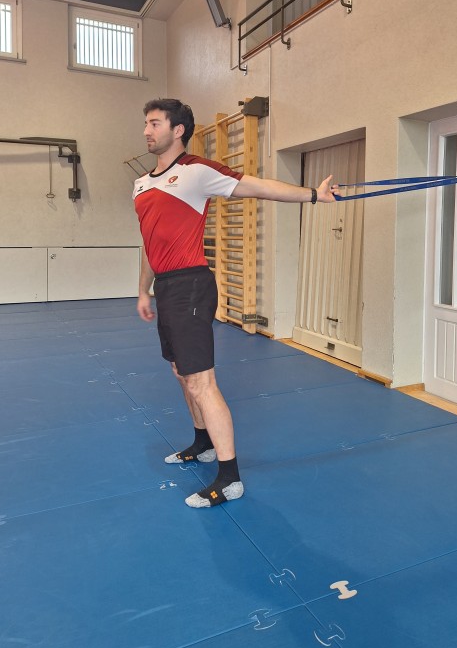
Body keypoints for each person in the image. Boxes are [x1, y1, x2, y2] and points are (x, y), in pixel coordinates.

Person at [134, 98, 338, 508]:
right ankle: (203, 444)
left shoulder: (196, 172)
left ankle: (229, 479)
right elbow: (149, 242)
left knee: (201, 381)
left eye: (154, 123)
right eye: (146, 124)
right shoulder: (140, 184)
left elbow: (257, 186)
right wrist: (144, 289)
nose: (146, 131)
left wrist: (313, 196)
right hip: (166, 288)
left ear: (177, 130)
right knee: (181, 373)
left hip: (191, 285)